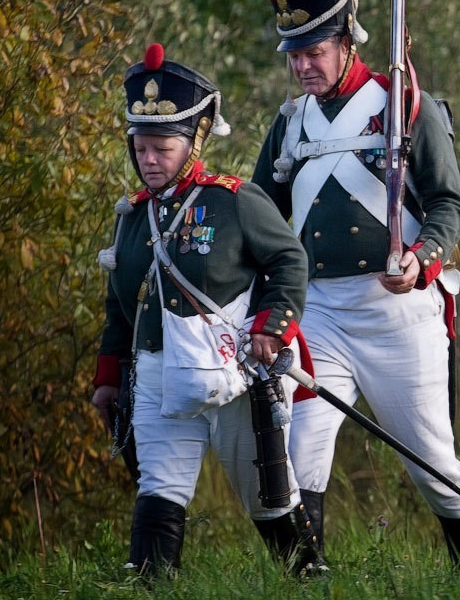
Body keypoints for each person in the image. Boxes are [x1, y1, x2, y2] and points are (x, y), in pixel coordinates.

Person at [251, 0, 460, 568]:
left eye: (315, 52)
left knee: (433, 464)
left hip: (398, 313)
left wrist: (421, 259)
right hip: (322, 318)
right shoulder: (290, 122)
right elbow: (260, 212)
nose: (304, 66)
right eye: (296, 55)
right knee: (297, 454)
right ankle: (309, 581)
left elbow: (448, 204)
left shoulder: (402, 104)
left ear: (346, 45)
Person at [90, 43, 324, 576]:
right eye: (141, 147)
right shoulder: (131, 217)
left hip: (233, 372)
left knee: (267, 494)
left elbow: (290, 260)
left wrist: (272, 326)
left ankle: (308, 578)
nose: (149, 160)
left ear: (194, 142)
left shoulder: (235, 200)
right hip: (155, 374)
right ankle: (152, 583)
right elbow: (121, 305)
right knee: (159, 486)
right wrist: (108, 376)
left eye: (162, 148)